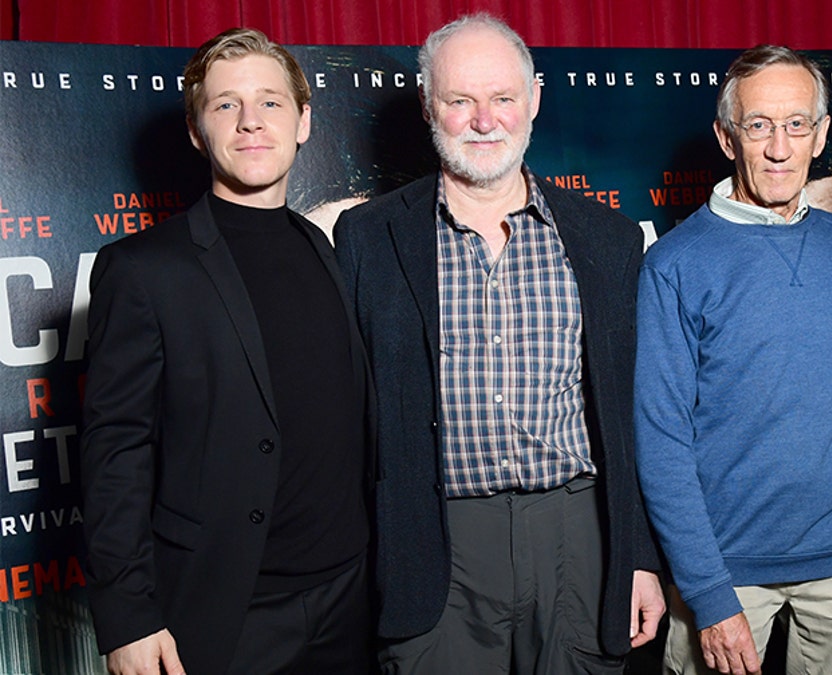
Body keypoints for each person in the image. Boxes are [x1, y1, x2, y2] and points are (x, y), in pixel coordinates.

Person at [333, 13, 664, 674]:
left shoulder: (608, 239)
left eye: (503, 99)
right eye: (460, 101)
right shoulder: (366, 239)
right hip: (434, 544)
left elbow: (636, 418)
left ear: (534, 100)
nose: (485, 120)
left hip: (579, 536)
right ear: (429, 105)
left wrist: (641, 558)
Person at [81, 28, 373, 675]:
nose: (250, 122)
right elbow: (114, 450)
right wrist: (129, 615)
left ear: (303, 121)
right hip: (228, 608)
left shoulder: (331, 250)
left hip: (350, 598)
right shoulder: (142, 269)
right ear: (195, 129)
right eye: (225, 105)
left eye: (270, 102)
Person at [634, 45, 832, 675]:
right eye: (759, 125)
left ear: (820, 134)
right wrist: (708, 593)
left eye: (797, 124)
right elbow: (660, 438)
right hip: (727, 566)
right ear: (727, 137)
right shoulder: (675, 263)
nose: (779, 147)